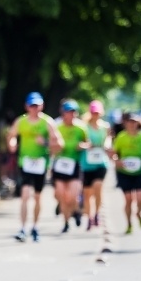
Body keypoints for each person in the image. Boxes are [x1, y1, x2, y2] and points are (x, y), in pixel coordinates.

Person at [7, 92, 62, 242]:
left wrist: (44, 143)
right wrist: (12, 145)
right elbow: (11, 136)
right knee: (25, 195)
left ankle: (35, 227)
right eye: (32, 105)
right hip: (25, 163)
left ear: (41, 106)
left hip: (41, 165)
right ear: (26, 106)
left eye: (37, 105)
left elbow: (59, 145)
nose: (34, 108)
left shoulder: (47, 122)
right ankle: (23, 229)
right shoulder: (21, 121)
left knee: (37, 197)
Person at [111, 112, 141, 235]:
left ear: (138, 123)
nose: (132, 124)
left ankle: (139, 213)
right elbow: (114, 153)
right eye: (129, 122)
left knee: (140, 199)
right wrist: (117, 161)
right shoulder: (121, 137)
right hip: (124, 172)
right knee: (129, 199)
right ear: (125, 123)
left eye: (134, 122)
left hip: (140, 171)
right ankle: (129, 223)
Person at [52, 99, 88, 233]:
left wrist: (82, 146)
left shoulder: (81, 128)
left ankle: (77, 211)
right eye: (68, 112)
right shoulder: (56, 126)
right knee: (61, 195)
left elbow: (87, 143)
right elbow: (50, 143)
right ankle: (66, 222)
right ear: (63, 113)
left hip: (74, 165)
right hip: (60, 164)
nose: (71, 115)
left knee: (72, 196)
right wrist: (55, 147)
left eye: (73, 112)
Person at [80, 100, 111, 230]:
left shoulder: (105, 127)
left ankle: (97, 213)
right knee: (87, 194)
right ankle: (89, 217)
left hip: (101, 163)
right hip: (87, 164)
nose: (95, 115)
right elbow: (81, 143)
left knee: (98, 187)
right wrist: (87, 145)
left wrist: (107, 146)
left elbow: (108, 140)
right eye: (93, 113)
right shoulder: (83, 127)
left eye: (97, 113)